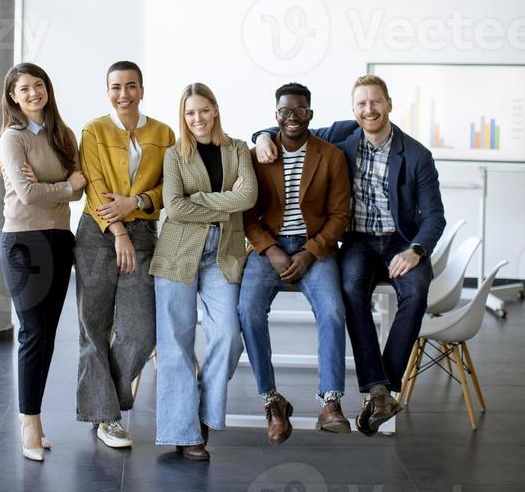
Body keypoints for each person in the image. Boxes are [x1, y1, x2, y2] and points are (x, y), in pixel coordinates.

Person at [254, 74, 445, 435]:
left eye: (376, 102)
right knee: (352, 290)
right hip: (357, 240)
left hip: (402, 241)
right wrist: (261, 137)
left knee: (416, 293)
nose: (369, 109)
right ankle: (378, 390)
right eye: (362, 104)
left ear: (388, 104)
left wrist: (416, 250)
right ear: (354, 109)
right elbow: (290, 123)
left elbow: (435, 216)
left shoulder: (417, 155)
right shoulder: (342, 135)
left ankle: (380, 390)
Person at [150, 83, 258, 461]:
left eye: (204, 110)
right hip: (178, 254)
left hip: (223, 254)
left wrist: (199, 201)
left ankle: (202, 413)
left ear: (215, 109)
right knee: (175, 345)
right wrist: (226, 204)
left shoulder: (239, 149)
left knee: (228, 335)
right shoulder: (173, 155)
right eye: (190, 113)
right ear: (184, 115)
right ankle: (185, 432)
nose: (197, 119)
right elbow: (175, 209)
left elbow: (249, 197)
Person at [239, 83, 351, 444]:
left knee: (333, 311)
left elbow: (339, 215)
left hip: (314, 249)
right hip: (268, 247)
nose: (293, 117)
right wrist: (270, 250)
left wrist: (310, 252)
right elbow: (247, 213)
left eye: (300, 110)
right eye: (286, 111)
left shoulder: (331, 156)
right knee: (248, 309)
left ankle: (330, 403)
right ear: (275, 116)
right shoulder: (258, 155)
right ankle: (272, 402)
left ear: (311, 114)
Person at [74, 61, 175, 449]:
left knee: (140, 330)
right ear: (108, 92)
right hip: (97, 233)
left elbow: (172, 184)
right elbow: (95, 185)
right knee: (93, 326)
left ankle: (105, 401)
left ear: (142, 89)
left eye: (131, 86)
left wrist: (138, 201)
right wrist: (118, 231)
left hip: (144, 232)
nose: (124, 94)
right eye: (116, 87)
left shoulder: (163, 133)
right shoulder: (94, 130)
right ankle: (106, 418)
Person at [0, 63, 86, 461]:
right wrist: (65, 185)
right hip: (23, 243)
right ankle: (28, 421)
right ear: (13, 96)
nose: (33, 93)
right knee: (32, 332)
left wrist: (58, 188)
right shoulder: (12, 139)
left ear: (47, 89)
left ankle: (35, 415)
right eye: (24, 89)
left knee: (47, 334)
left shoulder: (62, 135)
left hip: (59, 240)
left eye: (38, 85)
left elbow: (80, 186)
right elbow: (30, 196)